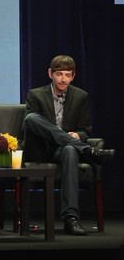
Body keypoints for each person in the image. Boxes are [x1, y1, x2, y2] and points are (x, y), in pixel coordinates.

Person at [22, 55, 115, 235]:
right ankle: (89, 152)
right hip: (40, 150)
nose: (63, 79)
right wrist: (69, 137)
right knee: (31, 118)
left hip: (62, 150)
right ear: (50, 74)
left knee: (71, 150)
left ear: (73, 76)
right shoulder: (36, 94)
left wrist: (77, 135)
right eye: (59, 74)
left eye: (67, 75)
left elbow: (85, 130)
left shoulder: (81, 96)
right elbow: (30, 127)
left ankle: (70, 219)